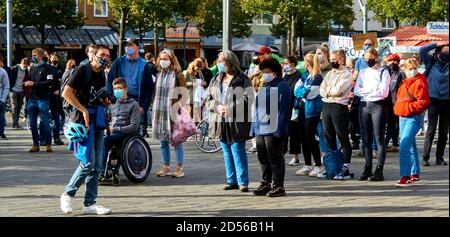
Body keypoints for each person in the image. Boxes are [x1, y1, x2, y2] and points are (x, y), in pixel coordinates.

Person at [60, 45, 112, 215]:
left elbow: (96, 96)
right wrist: (82, 109)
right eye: (102, 54)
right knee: (87, 163)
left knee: (97, 165)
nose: (104, 57)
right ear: (93, 56)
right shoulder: (83, 69)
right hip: (83, 121)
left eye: (107, 55)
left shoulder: (102, 74)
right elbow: (66, 93)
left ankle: (90, 203)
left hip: (97, 120)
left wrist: (106, 101)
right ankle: (68, 193)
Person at [204, 50, 253, 192]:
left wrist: (230, 108)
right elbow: (208, 99)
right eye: (218, 62)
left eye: (222, 62)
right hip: (220, 119)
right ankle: (231, 180)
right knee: (226, 150)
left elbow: (248, 97)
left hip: (237, 120)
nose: (220, 64)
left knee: (238, 149)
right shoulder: (216, 78)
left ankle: (243, 181)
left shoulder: (243, 79)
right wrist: (218, 107)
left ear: (231, 63)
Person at [251, 58, 290, 197]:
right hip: (260, 128)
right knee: (262, 157)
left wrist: (279, 129)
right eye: (262, 72)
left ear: (274, 72)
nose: (263, 75)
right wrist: (253, 127)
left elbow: (284, 110)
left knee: (275, 157)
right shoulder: (265, 86)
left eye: (266, 72)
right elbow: (256, 108)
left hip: (273, 128)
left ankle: (279, 186)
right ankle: (265, 182)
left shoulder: (282, 86)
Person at [354, 48, 391, 181]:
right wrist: (372, 90)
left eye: (369, 57)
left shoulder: (383, 72)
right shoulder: (363, 72)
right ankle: (367, 168)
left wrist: (367, 91)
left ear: (375, 58)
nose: (367, 60)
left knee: (379, 138)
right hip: (364, 106)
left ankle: (379, 170)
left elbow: (383, 92)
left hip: (377, 106)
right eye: (365, 58)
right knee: (366, 139)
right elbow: (357, 90)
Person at [107, 38, 154, 138]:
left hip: (136, 101)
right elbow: (110, 81)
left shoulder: (144, 65)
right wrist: (111, 100)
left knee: (134, 133)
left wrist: (144, 106)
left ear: (137, 47)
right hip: (119, 101)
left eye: (130, 45)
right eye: (126, 45)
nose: (127, 47)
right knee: (117, 132)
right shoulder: (118, 63)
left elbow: (149, 87)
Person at [394, 59, 430, 187]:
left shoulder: (419, 81)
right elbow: (399, 99)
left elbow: (424, 101)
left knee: (404, 144)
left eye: (413, 67)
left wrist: (409, 108)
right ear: (404, 69)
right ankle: (414, 173)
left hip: (413, 117)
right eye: (409, 68)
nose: (411, 70)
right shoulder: (404, 84)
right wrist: (398, 109)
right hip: (403, 117)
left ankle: (406, 175)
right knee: (410, 144)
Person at [152, 49, 187, 178]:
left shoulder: (178, 74)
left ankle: (179, 168)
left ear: (172, 60)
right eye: (161, 59)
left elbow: (184, 94)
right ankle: (166, 166)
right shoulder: (159, 74)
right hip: (160, 112)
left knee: (177, 141)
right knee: (163, 141)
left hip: (173, 112)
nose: (163, 61)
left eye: (165, 59)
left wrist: (177, 108)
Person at [319, 49, 353, 180]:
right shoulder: (329, 74)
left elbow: (339, 90)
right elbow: (322, 90)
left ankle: (345, 168)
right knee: (329, 137)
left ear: (342, 60)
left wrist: (331, 91)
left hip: (339, 107)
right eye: (331, 59)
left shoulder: (346, 74)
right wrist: (330, 92)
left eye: (335, 59)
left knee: (342, 136)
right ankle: (332, 167)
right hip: (327, 106)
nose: (332, 61)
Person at [100, 77, 140, 183]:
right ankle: (99, 169)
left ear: (125, 89)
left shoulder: (133, 104)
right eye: (115, 88)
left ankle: (103, 171)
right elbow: (107, 120)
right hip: (111, 132)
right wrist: (105, 128)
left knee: (105, 140)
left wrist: (116, 129)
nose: (117, 90)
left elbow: (134, 126)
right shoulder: (112, 104)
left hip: (126, 133)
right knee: (97, 138)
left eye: (119, 88)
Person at [294, 53, 323, 177]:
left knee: (310, 137)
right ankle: (307, 164)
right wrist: (302, 92)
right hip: (302, 108)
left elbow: (309, 94)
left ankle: (318, 165)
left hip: (312, 110)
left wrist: (302, 92)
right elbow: (296, 90)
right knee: (303, 137)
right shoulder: (305, 75)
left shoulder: (317, 77)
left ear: (307, 63)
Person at [420, 43, 449, 166]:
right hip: (433, 101)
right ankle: (425, 157)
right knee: (431, 130)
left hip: (447, 102)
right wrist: (437, 43)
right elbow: (422, 50)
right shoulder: (431, 62)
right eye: (445, 52)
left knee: (443, 131)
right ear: (438, 52)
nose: (447, 54)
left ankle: (439, 157)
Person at [26, 48, 55, 152]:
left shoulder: (48, 67)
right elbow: (30, 80)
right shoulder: (32, 68)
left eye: (35, 55)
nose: (33, 57)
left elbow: (49, 82)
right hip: (32, 99)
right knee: (33, 123)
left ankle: (48, 144)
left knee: (45, 122)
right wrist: (28, 83)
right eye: (32, 55)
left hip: (43, 99)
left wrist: (34, 84)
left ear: (41, 56)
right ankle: (35, 144)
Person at [282, 56, 303, 166]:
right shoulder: (284, 76)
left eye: (286, 63)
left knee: (294, 132)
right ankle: (282, 153)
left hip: (294, 107)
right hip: (284, 107)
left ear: (293, 64)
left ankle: (296, 156)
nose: (285, 65)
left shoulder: (298, 76)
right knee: (283, 132)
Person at [384, 54, 405, 152]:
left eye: (395, 61)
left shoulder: (400, 74)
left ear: (398, 62)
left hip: (397, 103)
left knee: (395, 124)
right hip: (386, 103)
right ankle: (388, 142)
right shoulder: (385, 72)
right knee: (389, 123)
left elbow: (402, 88)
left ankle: (394, 143)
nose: (393, 63)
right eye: (391, 61)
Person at [49, 52, 65, 145]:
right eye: (53, 58)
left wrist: (59, 90)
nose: (54, 59)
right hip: (47, 95)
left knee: (57, 116)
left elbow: (63, 82)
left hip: (57, 96)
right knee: (46, 117)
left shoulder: (61, 69)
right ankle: (45, 137)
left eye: (56, 58)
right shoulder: (47, 68)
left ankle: (56, 136)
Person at [183, 58, 207, 122]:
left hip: (199, 96)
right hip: (190, 95)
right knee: (190, 112)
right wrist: (192, 83)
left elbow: (204, 81)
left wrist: (204, 83)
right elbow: (183, 83)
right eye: (198, 67)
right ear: (193, 66)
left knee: (199, 113)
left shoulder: (199, 72)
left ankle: (198, 127)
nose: (199, 69)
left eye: (200, 67)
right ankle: (189, 127)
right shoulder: (186, 72)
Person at [9, 58, 30, 129]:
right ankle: (15, 124)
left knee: (19, 107)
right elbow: (11, 78)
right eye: (24, 65)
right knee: (15, 107)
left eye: (26, 65)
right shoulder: (15, 69)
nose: (25, 66)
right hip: (14, 90)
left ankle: (16, 123)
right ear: (21, 63)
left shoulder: (26, 70)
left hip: (21, 91)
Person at [0, 59, 9, 140]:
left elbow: (6, 86)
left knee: (1, 116)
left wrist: (3, 99)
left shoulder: (3, 72)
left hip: (1, 99)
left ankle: (1, 133)